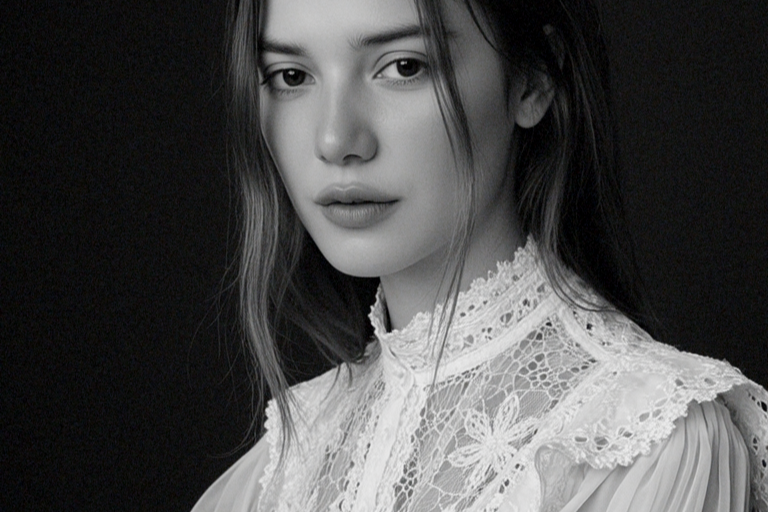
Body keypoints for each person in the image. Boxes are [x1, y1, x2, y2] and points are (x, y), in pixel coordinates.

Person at [193, 0, 768, 510]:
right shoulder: (282, 465)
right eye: (291, 76)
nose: (335, 139)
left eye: (403, 66)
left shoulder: (649, 443)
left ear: (532, 80)